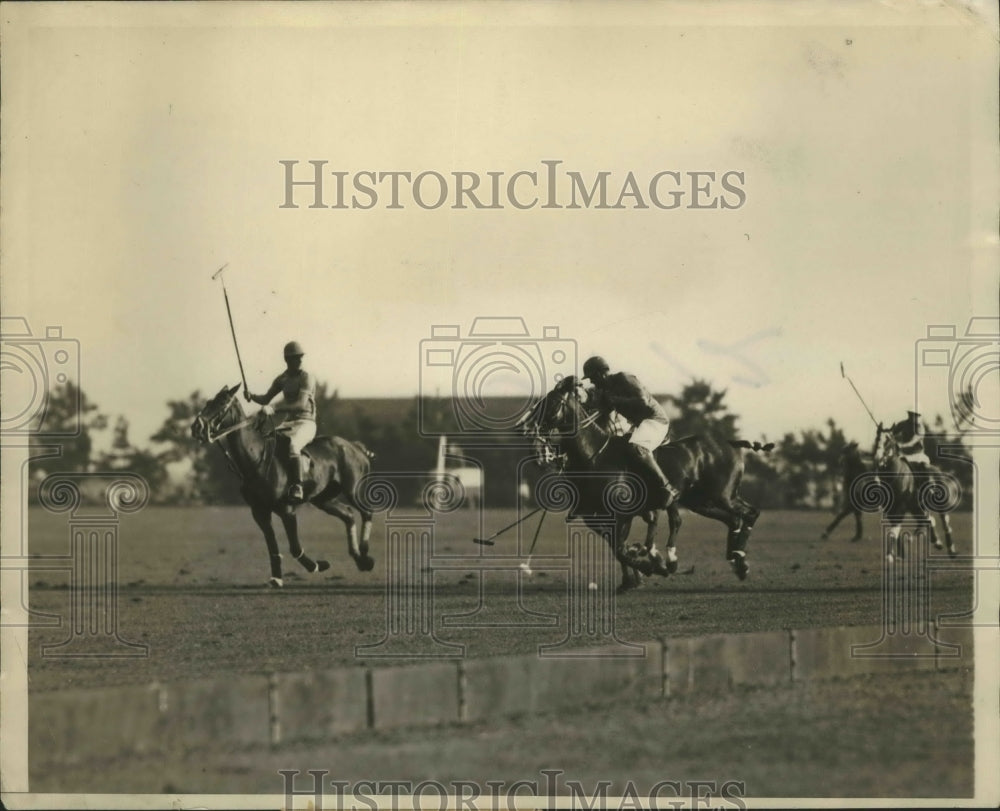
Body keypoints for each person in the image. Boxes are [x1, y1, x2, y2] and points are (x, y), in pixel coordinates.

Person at [582, 355, 680, 508]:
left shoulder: (624, 378)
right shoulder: (605, 390)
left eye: (592, 378)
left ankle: (668, 487)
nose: (592, 382)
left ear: (601, 373)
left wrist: (614, 401)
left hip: (655, 419)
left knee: (636, 447)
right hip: (640, 425)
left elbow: (643, 402)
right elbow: (599, 409)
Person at [244, 341, 317, 501]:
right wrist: (252, 396)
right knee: (268, 441)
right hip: (289, 423)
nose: (299, 361)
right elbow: (266, 398)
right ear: (287, 360)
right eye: (295, 358)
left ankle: (297, 486)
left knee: (293, 445)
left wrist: (275, 409)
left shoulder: (307, 377)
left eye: (300, 357)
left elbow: (301, 404)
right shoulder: (282, 379)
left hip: (306, 423)